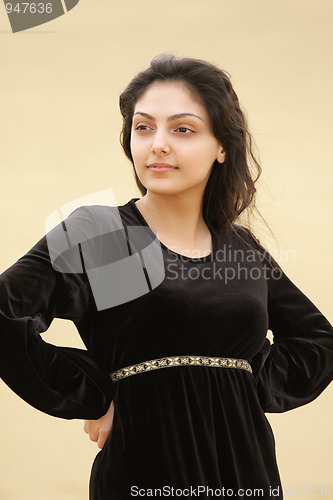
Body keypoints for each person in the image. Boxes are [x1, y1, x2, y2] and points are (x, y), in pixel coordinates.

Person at [0, 54, 332, 500]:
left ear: (221, 146)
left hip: (246, 471)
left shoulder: (241, 247)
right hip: (145, 472)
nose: (158, 144)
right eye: (143, 127)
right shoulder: (105, 235)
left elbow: (317, 342)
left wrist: (241, 382)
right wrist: (98, 393)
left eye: (182, 129)